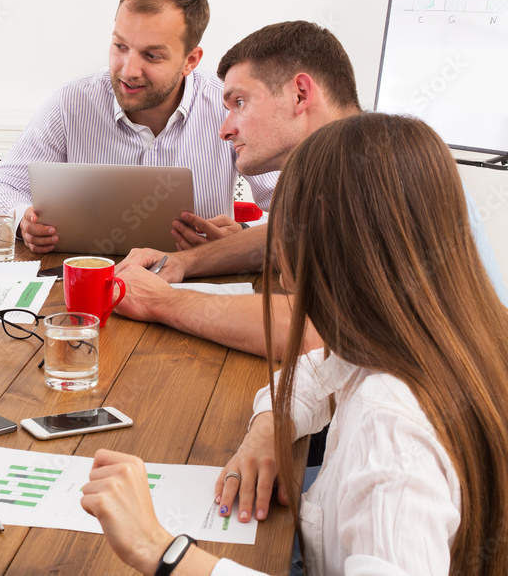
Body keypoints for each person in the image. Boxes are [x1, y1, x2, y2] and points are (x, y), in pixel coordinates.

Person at [82, 113, 508, 575]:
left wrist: (159, 550)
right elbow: (318, 370)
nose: (279, 263)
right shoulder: (448, 336)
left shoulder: (390, 430)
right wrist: (272, 425)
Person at [115, 21, 508, 358]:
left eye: (239, 102)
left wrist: (160, 301)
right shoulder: (346, 155)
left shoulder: (372, 167)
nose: (225, 128)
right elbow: (284, 235)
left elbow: (321, 329)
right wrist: (186, 262)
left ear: (300, 94)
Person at [0, 0, 279, 254]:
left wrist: (242, 232)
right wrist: (23, 221)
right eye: (121, 46)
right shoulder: (71, 103)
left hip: (197, 280)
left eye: (152, 55)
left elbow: (297, 213)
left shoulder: (227, 107)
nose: (129, 70)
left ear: (190, 60)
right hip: (90, 276)